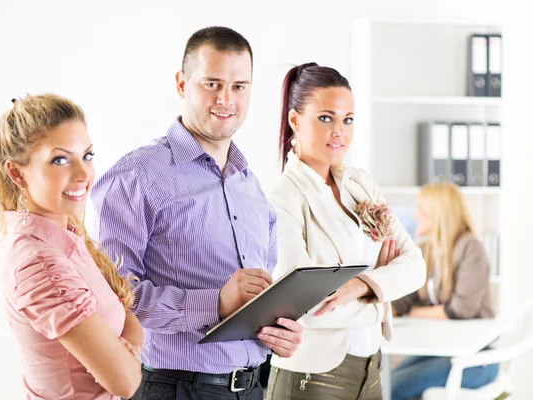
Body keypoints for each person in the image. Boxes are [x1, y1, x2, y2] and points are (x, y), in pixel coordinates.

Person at [90, 26, 303, 400]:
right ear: (181, 83)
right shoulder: (136, 176)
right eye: (212, 84)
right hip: (175, 387)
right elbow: (114, 298)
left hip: (254, 386)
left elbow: (256, 296)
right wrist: (215, 303)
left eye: (239, 86)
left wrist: (278, 331)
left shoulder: (250, 186)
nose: (226, 99)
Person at [265, 62, 426, 400]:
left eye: (347, 119)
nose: (339, 131)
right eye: (325, 118)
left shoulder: (360, 184)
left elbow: (416, 265)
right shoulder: (284, 197)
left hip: (371, 369)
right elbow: (303, 305)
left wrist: (360, 285)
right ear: (295, 120)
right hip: (313, 379)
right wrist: (380, 304)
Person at [0, 94, 143, 399]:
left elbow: (129, 319)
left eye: (88, 155)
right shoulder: (37, 261)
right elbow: (126, 381)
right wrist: (123, 356)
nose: (83, 174)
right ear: (17, 173)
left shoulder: (62, 237)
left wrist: (125, 349)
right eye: (60, 159)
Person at [391, 182, 499, 399]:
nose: (417, 215)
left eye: (422, 210)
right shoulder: (426, 251)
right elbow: (404, 301)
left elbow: (460, 310)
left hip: (476, 360)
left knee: (393, 387)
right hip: (442, 351)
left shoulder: (470, 248)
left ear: (438, 214)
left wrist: (414, 313)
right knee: (385, 380)